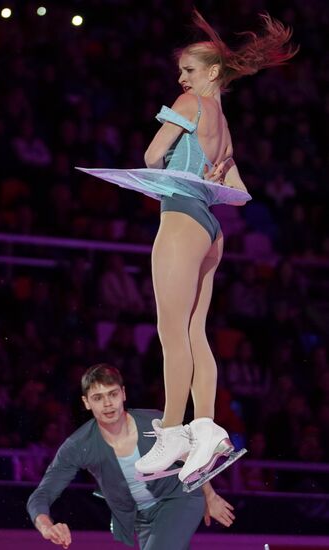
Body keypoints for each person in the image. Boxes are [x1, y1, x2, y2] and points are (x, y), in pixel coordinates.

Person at [133, 10, 298, 484]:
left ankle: (171, 432)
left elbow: (149, 156)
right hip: (211, 230)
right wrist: (209, 174)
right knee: (195, 331)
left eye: (187, 70)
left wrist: (171, 159)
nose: (180, 78)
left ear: (209, 73)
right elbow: (240, 193)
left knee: (171, 332)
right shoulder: (223, 124)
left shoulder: (190, 104)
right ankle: (205, 428)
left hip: (182, 220)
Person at [27, 364, 235, 549]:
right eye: (98, 398)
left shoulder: (154, 422)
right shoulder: (79, 445)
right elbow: (42, 494)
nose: (108, 403)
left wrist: (209, 495)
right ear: (86, 402)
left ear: (123, 394)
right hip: (141, 519)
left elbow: (189, 455)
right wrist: (46, 527)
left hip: (179, 500)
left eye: (113, 394)